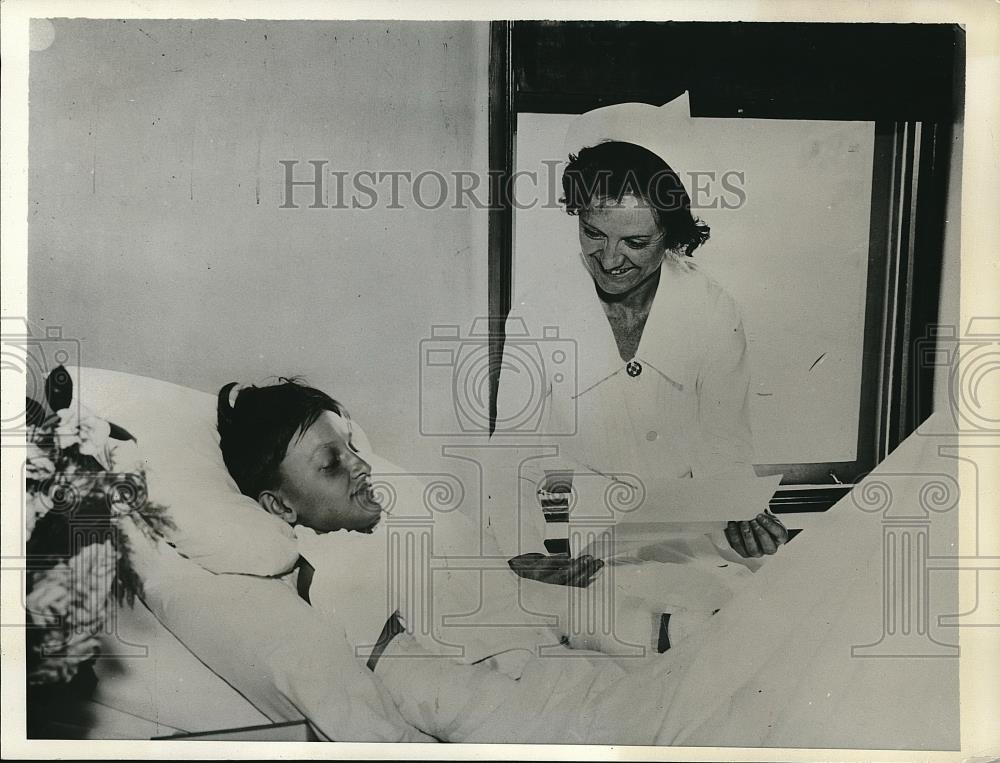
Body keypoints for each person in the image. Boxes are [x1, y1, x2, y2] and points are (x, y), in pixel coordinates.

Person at [214, 378, 759, 741]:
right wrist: (600, 721)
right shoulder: (339, 586)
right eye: (332, 463)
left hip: (591, 684)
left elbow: (534, 604)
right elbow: (446, 700)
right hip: (562, 723)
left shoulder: (402, 537)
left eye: (353, 448)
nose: (361, 466)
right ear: (280, 505)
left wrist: (666, 632)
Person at [492, 138, 788, 570]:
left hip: (701, 541)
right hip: (597, 546)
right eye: (593, 233)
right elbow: (511, 454)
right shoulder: (537, 315)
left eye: (634, 241)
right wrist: (524, 553)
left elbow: (726, 443)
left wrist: (743, 514)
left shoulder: (712, 308)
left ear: (669, 235)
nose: (610, 259)